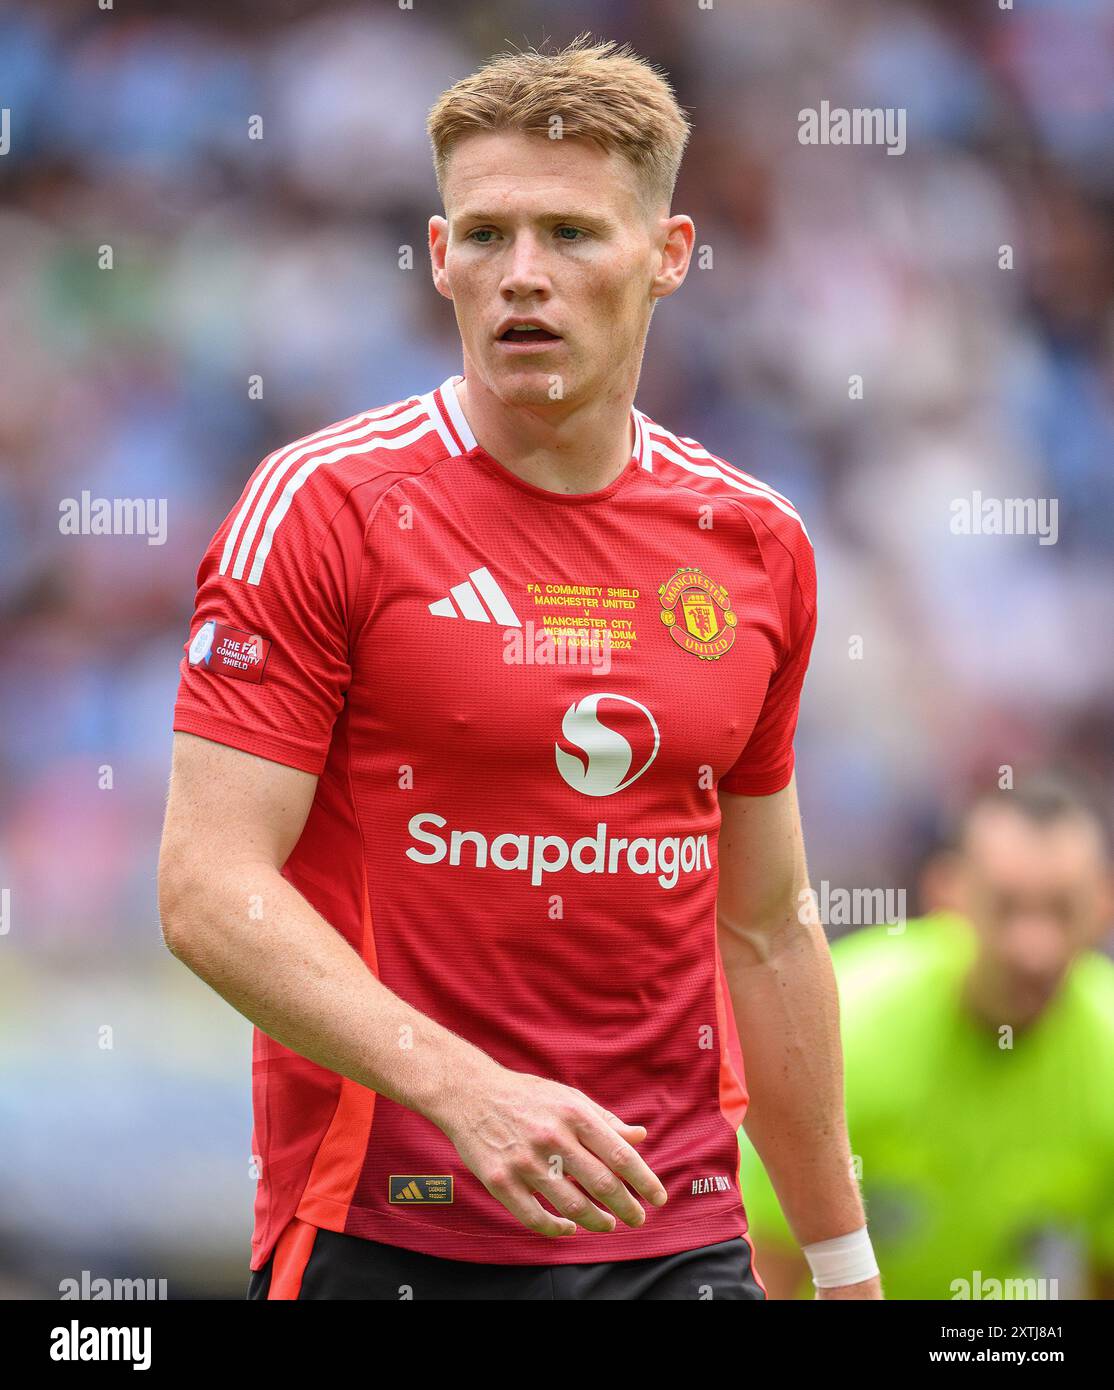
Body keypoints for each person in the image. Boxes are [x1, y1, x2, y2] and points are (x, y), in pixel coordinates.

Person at [157, 37, 880, 1301]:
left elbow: (764, 931)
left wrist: (841, 1261)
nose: (522, 278)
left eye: (571, 234)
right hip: (393, 1228)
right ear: (439, 261)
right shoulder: (325, 508)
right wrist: (467, 1093)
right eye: (485, 237)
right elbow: (208, 885)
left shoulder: (756, 544)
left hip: (679, 1230)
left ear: (668, 257)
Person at [738, 780, 1114, 1300]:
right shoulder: (844, 1030)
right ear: (948, 893)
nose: (1035, 948)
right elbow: (762, 1270)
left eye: (1061, 910)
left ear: (1103, 903)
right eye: (1007, 908)